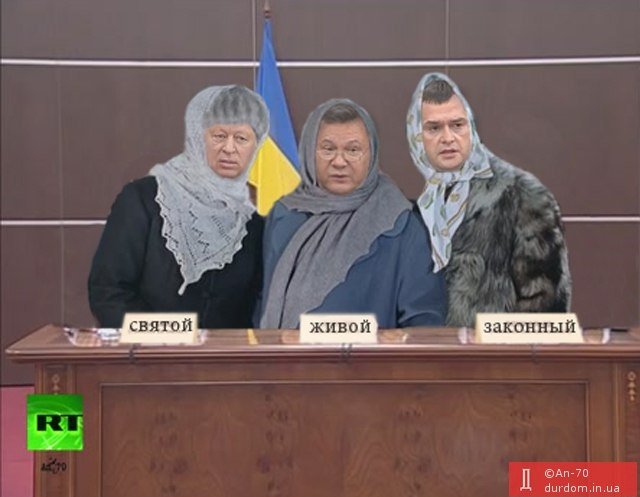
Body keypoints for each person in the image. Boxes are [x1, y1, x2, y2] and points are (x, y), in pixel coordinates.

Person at [88, 85, 268, 328]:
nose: (229, 148)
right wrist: (170, 337)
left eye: (241, 138)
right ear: (197, 136)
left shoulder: (252, 224)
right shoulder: (144, 200)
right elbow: (108, 292)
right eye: (219, 136)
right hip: (147, 350)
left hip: (224, 353)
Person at [259, 99, 446, 329]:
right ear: (309, 152)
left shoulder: (402, 224)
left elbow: (424, 323)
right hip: (283, 352)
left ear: (371, 155)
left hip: (370, 354)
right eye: (328, 149)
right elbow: (262, 304)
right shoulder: (285, 215)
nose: (339, 162)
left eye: (353, 150)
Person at [406, 72, 571, 327]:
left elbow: (546, 310)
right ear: (416, 136)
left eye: (457, 125)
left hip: (495, 352)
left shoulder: (521, 193)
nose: (448, 138)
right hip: (432, 351)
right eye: (434, 128)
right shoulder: (421, 206)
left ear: (470, 127)